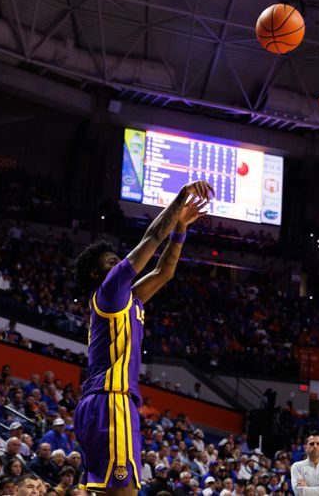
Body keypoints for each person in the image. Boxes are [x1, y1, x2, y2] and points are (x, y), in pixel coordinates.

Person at [73, 180, 213, 496]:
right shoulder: (108, 291)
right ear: (99, 275)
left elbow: (165, 272)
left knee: (104, 492)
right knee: (126, 493)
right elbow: (151, 238)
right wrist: (181, 199)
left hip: (99, 402)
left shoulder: (129, 298)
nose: (121, 264)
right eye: (112, 263)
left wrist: (181, 229)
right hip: (112, 399)